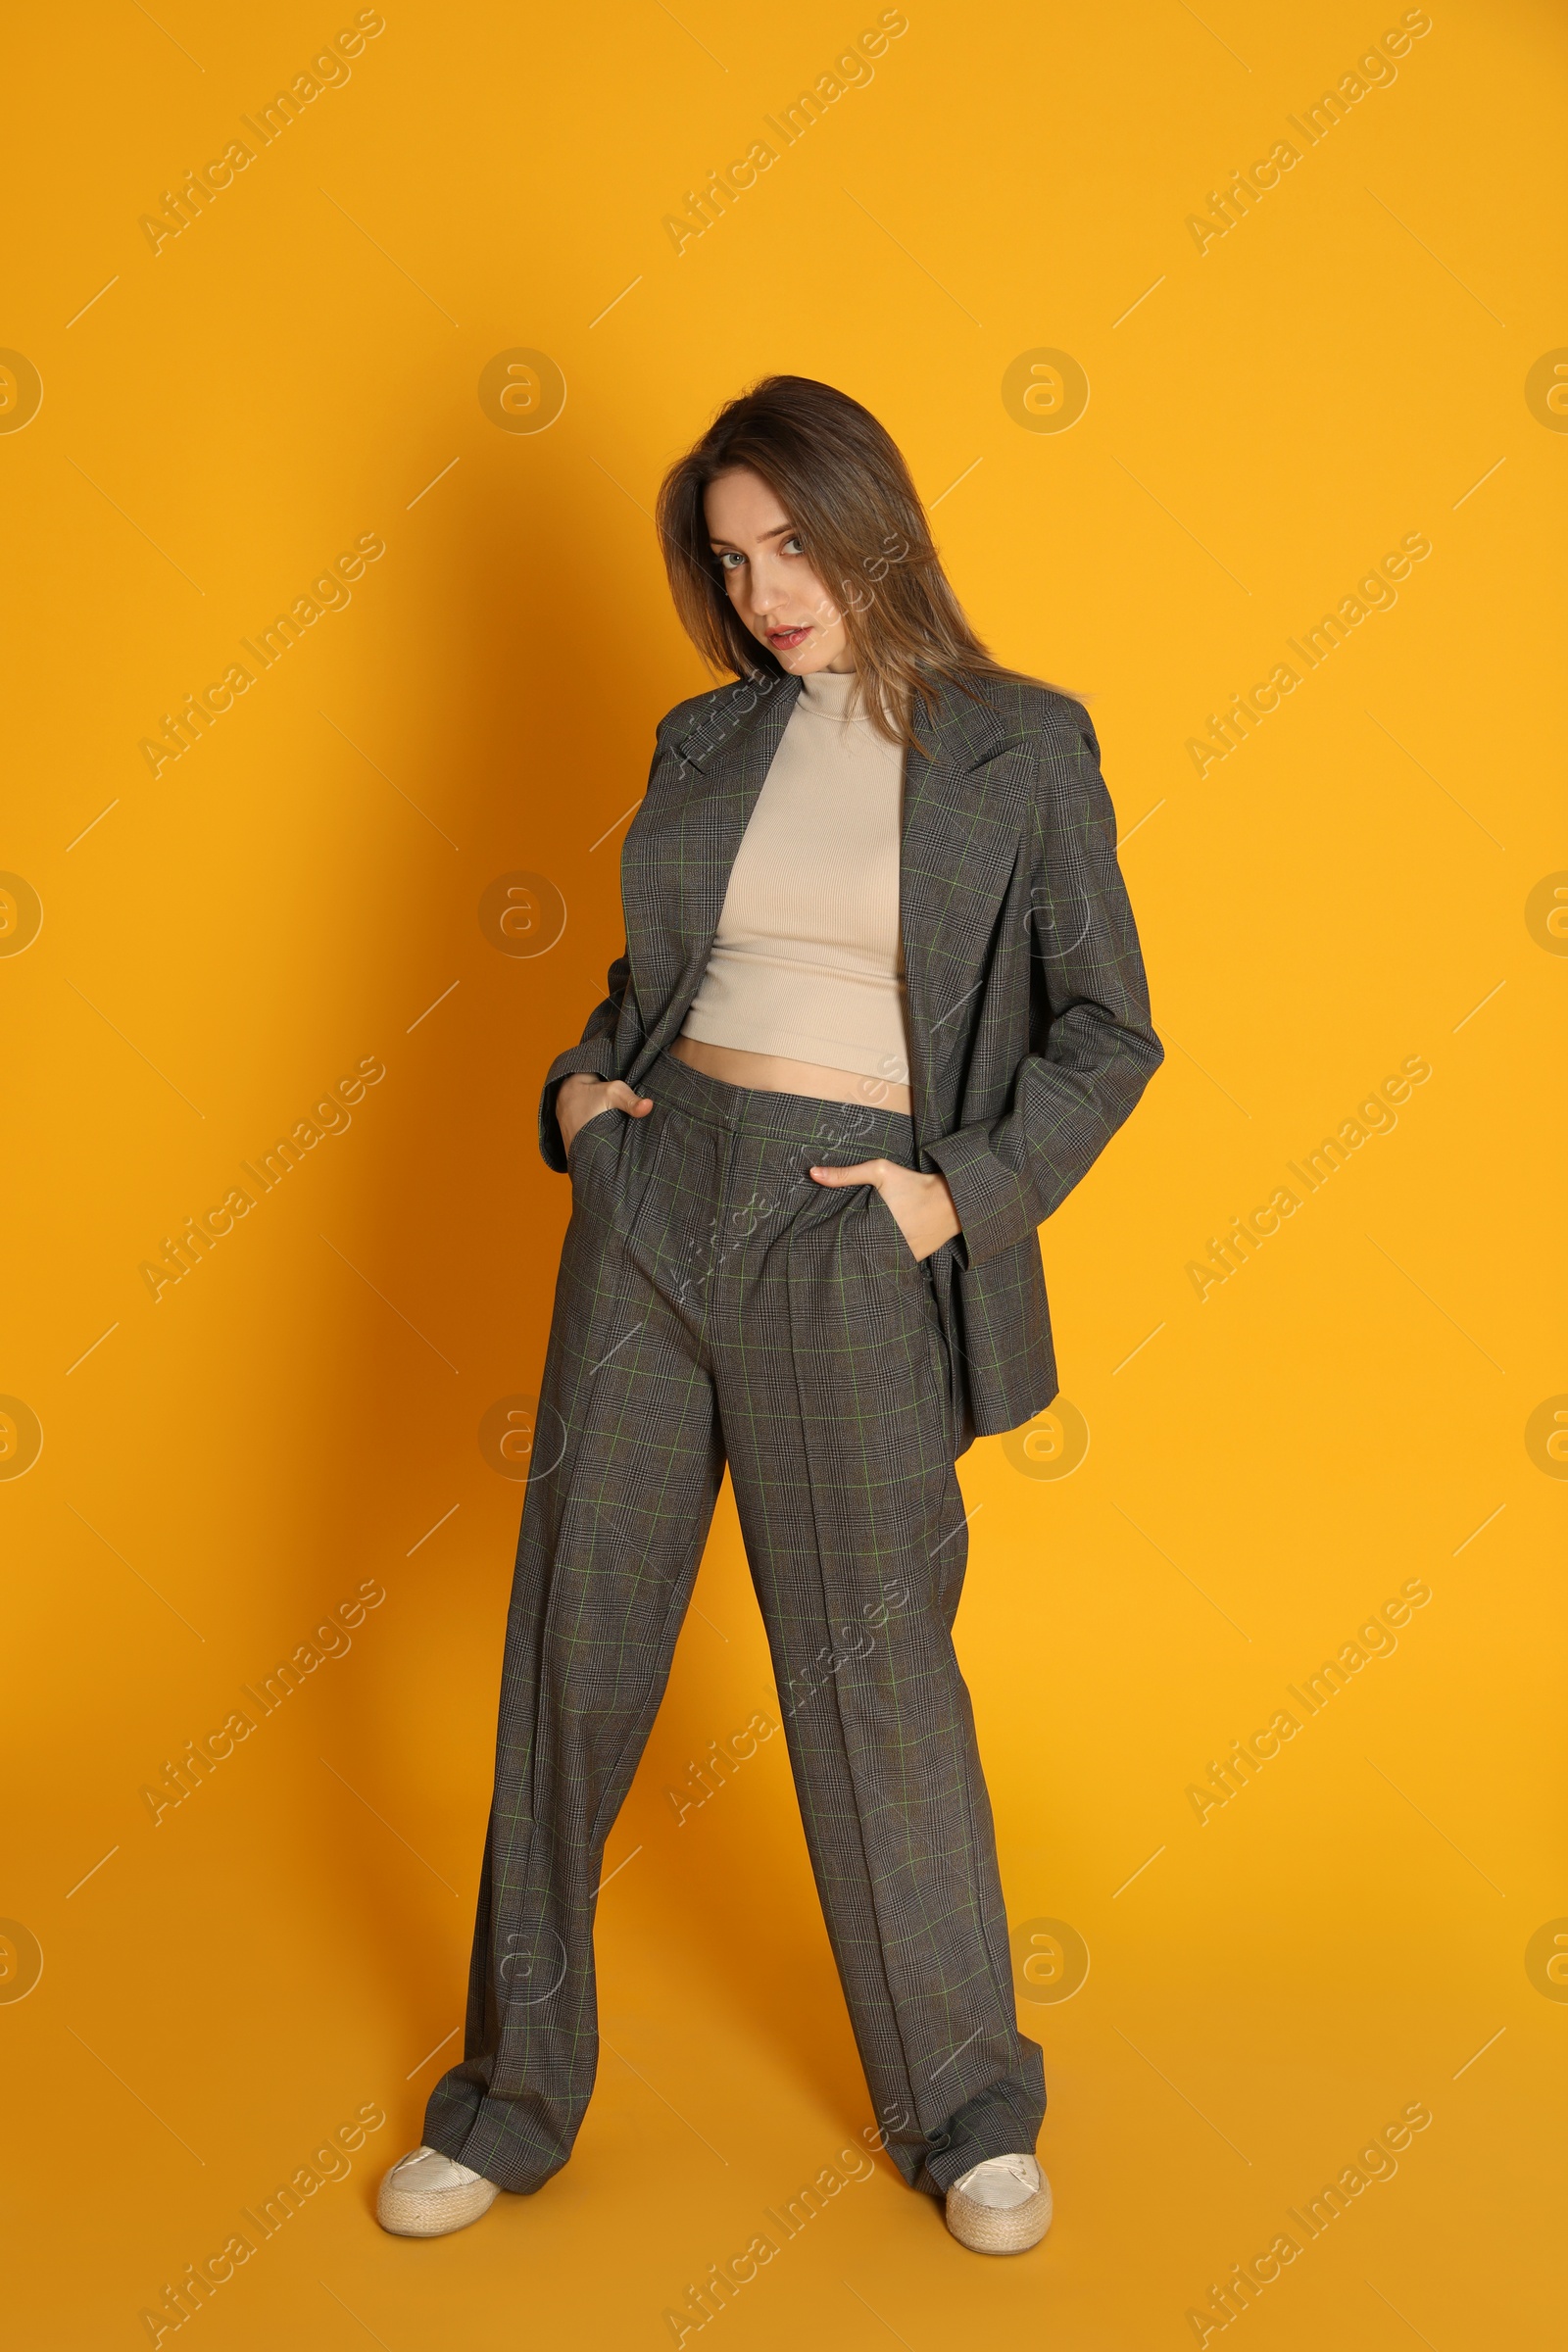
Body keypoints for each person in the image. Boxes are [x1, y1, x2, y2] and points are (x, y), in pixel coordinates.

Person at [376, 374, 1162, 2255]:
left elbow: (1106, 1028)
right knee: (572, 1652)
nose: (764, 591)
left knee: (875, 1675)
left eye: (791, 544)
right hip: (655, 1199)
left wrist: (942, 1196)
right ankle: (508, 2100)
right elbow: (661, 975)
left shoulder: (1019, 745)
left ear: (870, 517)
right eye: (733, 563)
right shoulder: (703, 740)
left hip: (846, 1231)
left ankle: (969, 2105)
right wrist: (580, 1095)